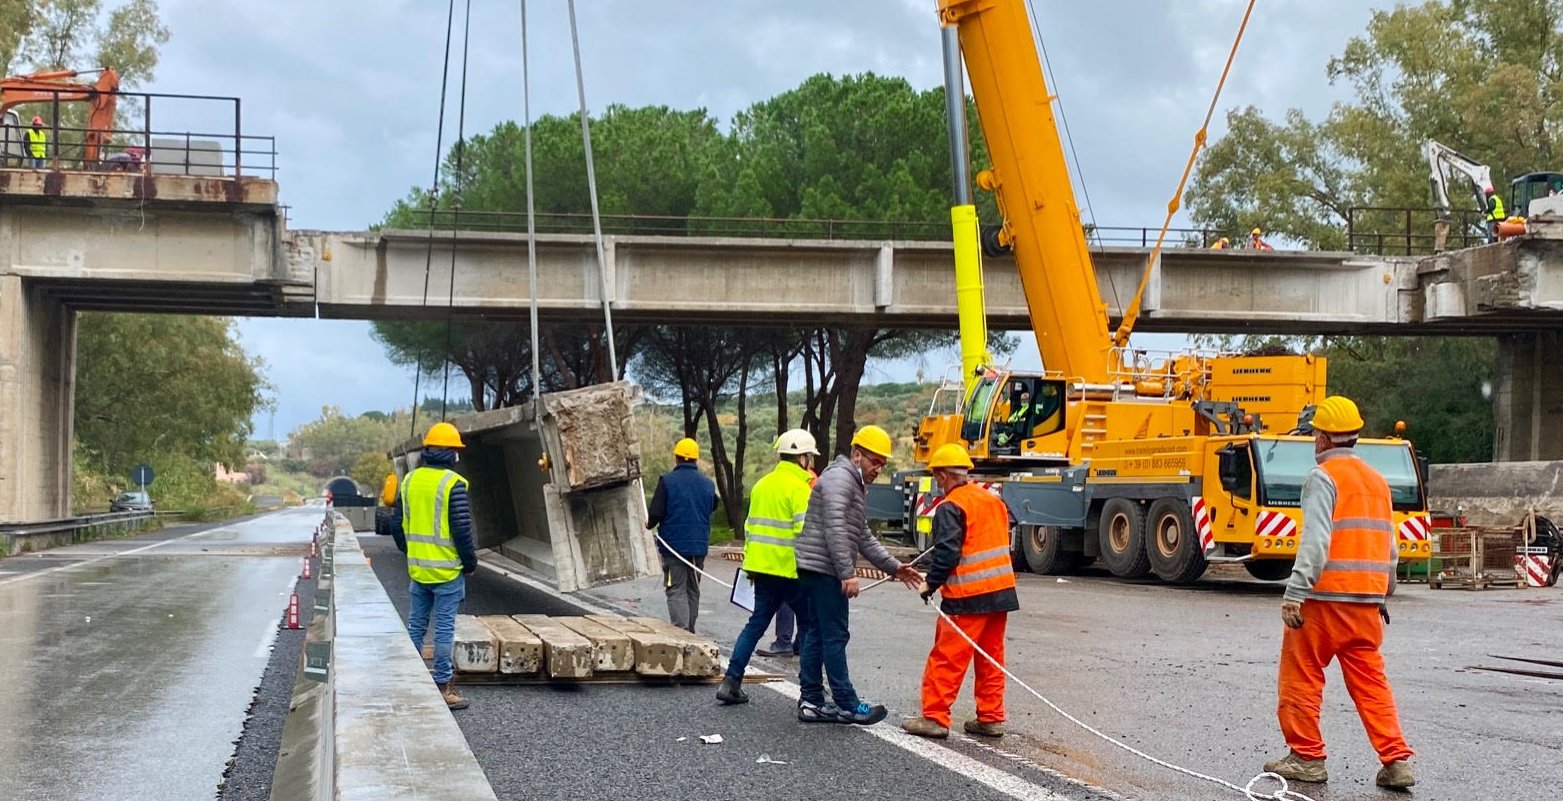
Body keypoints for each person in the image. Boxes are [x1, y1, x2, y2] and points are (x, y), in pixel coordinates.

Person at [1263, 395, 1415, 789]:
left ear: (1326, 438)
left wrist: (1295, 591)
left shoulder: (1322, 478)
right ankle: (1396, 761)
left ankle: (1307, 757)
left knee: (1301, 676)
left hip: (1323, 602)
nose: (1314, 441)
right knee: (1371, 683)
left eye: (1316, 434)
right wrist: (1383, 592)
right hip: (1366, 606)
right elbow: (1390, 547)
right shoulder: (1377, 482)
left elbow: (1315, 540)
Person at [793, 424, 923, 725]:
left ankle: (811, 701)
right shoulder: (841, 479)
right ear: (856, 455)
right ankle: (847, 704)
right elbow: (836, 527)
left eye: (883, 463)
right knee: (835, 635)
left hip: (813, 567)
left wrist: (894, 567)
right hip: (824, 570)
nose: (878, 468)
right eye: (874, 461)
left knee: (815, 633)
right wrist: (847, 573)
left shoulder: (847, 480)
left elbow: (862, 534)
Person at [901, 444, 1020, 739]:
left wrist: (931, 584)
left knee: (947, 656)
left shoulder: (950, 507)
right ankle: (990, 717)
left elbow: (947, 554)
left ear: (942, 476)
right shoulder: (992, 500)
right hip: (1001, 591)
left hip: (967, 596)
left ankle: (935, 717)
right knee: (991, 656)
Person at [716, 428, 819, 705]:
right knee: (809, 626)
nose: (811, 461)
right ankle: (810, 694)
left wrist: (750, 565)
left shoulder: (761, 485)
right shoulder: (800, 489)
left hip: (760, 570)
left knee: (755, 626)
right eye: (810, 457)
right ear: (802, 459)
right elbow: (805, 534)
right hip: (791, 572)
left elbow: (750, 530)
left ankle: (731, 681)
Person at [389, 422, 478, 711]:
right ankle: (442, 688)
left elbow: (396, 524)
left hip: (418, 570)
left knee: (415, 626)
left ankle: (409, 683)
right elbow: (462, 530)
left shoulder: (409, 481)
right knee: (443, 630)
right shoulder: (453, 484)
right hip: (447, 572)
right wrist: (469, 562)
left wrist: (410, 551)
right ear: (452, 453)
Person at [646, 437, 717, 633]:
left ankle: (681, 632)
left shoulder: (667, 481)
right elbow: (714, 505)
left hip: (673, 548)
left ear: (677, 458)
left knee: (675, 588)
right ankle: (690, 632)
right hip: (699, 547)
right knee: (693, 589)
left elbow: (656, 513)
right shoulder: (708, 485)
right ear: (696, 460)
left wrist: (649, 524)